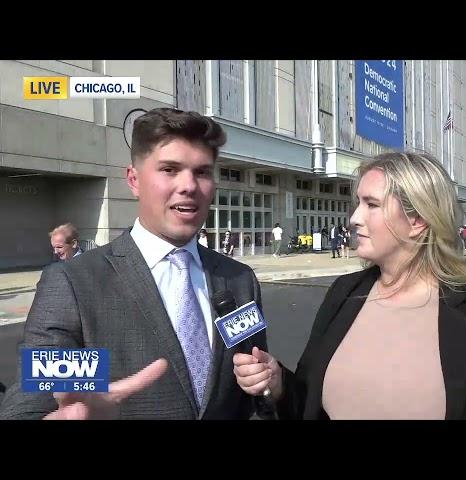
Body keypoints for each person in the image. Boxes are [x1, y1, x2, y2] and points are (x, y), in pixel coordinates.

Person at [233, 152, 466, 420]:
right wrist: (279, 385)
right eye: (358, 203)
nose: (355, 217)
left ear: (418, 220)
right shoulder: (344, 294)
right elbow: (307, 401)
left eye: (372, 204)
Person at [0, 107, 267, 420]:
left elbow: (253, 388)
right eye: (169, 169)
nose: (189, 185)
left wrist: (270, 387)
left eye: (202, 172)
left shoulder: (238, 279)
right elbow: (31, 404)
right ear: (134, 179)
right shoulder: (75, 284)